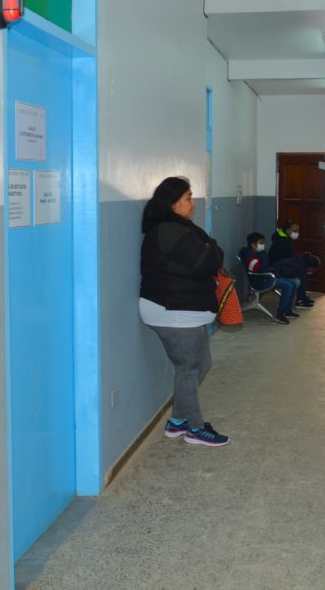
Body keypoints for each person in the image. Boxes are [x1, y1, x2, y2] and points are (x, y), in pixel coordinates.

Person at [139, 176, 230, 447]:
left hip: (182, 308)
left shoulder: (177, 228)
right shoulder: (169, 230)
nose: (193, 204)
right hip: (172, 310)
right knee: (189, 368)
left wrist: (211, 249)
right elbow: (209, 261)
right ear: (173, 202)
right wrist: (212, 249)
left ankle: (178, 421)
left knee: (201, 364)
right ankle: (195, 428)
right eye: (188, 198)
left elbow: (209, 255)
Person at [239, 232, 301, 325]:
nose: (263, 245)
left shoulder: (257, 253)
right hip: (259, 281)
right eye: (261, 243)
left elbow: (266, 267)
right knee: (288, 285)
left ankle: (287, 310)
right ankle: (280, 314)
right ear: (253, 244)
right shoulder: (248, 254)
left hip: (265, 277)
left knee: (293, 283)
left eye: (263, 242)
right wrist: (264, 255)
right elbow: (260, 269)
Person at [269, 220, 314, 308]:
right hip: (278, 269)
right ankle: (300, 300)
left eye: (298, 231)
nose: (297, 233)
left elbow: (289, 257)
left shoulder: (284, 238)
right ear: (288, 230)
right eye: (295, 231)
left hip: (282, 266)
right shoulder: (282, 241)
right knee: (302, 273)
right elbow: (284, 259)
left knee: (302, 271)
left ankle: (301, 297)